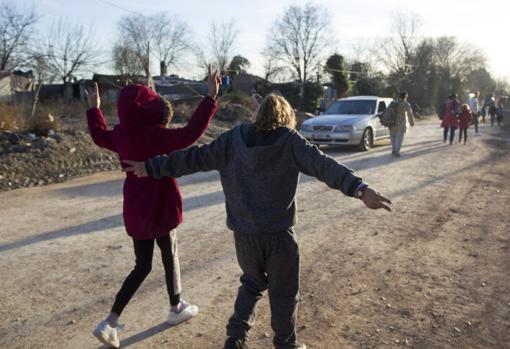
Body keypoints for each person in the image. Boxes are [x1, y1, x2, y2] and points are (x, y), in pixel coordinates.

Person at [123, 94, 392, 349]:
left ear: (258, 114)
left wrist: (151, 167)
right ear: (286, 117)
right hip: (279, 237)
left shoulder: (232, 140)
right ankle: (285, 344)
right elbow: (323, 165)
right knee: (284, 293)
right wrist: (359, 188)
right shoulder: (290, 141)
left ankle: (235, 338)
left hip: (245, 236)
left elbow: (193, 158)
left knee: (252, 283)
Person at [85, 66, 221, 348]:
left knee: (142, 265)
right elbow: (191, 133)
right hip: (161, 205)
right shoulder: (158, 135)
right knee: (170, 254)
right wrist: (210, 98)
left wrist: (94, 109)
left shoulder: (121, 135)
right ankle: (176, 307)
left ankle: (110, 321)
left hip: (135, 207)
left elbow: (99, 135)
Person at [387, 91, 415, 157]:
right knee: (399, 138)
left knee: (393, 137)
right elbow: (409, 114)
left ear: (399, 96)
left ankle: (394, 150)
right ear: (405, 97)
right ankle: (396, 152)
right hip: (401, 123)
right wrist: (411, 123)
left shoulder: (393, 103)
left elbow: (388, 111)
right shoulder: (405, 104)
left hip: (392, 123)